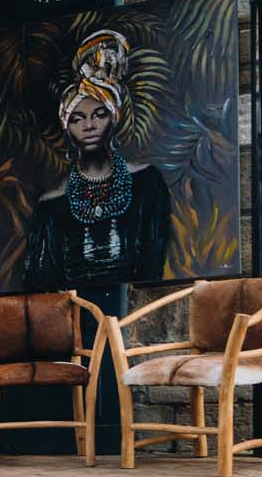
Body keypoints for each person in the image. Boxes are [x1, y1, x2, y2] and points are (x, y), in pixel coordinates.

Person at [23, 27, 172, 293]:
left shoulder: (146, 182)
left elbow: (154, 257)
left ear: (113, 118)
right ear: (66, 127)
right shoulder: (52, 203)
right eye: (77, 119)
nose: (89, 126)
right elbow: (41, 278)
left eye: (99, 115)